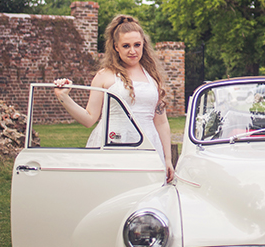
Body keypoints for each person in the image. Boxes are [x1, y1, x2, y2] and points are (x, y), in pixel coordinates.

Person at [54, 13, 175, 182]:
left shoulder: (153, 78)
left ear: (143, 45)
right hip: (113, 144)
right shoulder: (104, 76)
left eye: (137, 45)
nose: (132, 51)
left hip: (149, 148)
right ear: (116, 47)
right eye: (126, 46)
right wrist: (63, 97)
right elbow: (89, 119)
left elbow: (161, 122)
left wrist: (168, 159)